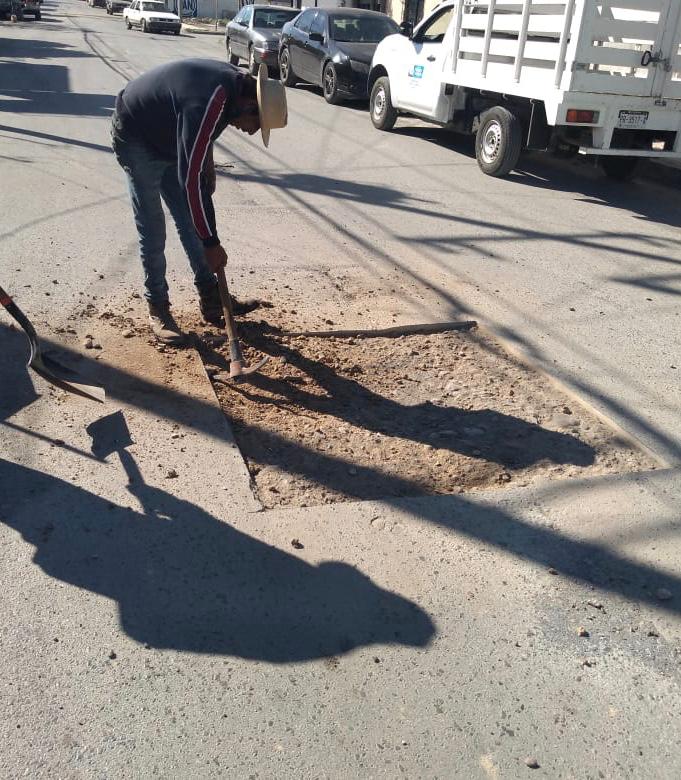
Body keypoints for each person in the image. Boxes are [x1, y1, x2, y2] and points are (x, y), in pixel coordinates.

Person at [111, 59, 287, 345]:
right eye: (257, 124)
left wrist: (207, 162)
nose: (252, 131)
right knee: (154, 228)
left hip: (168, 136)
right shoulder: (213, 98)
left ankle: (211, 298)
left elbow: (199, 134)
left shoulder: (230, 92)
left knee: (190, 220)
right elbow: (191, 181)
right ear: (249, 105)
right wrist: (211, 243)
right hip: (136, 134)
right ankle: (158, 307)